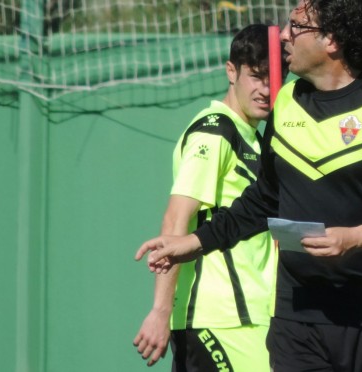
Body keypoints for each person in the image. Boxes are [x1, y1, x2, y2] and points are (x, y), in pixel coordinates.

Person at [136, 1, 362, 371]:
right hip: (295, 317)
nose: (283, 35)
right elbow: (263, 200)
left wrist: (357, 238)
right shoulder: (286, 102)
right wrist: (194, 242)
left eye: (296, 26)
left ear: (331, 40)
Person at [133, 24, 287, 372]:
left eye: (273, 78)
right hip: (215, 319)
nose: (265, 89)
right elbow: (176, 221)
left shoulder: (256, 140)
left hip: (253, 317)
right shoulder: (214, 131)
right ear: (231, 71)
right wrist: (160, 311)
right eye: (256, 76)